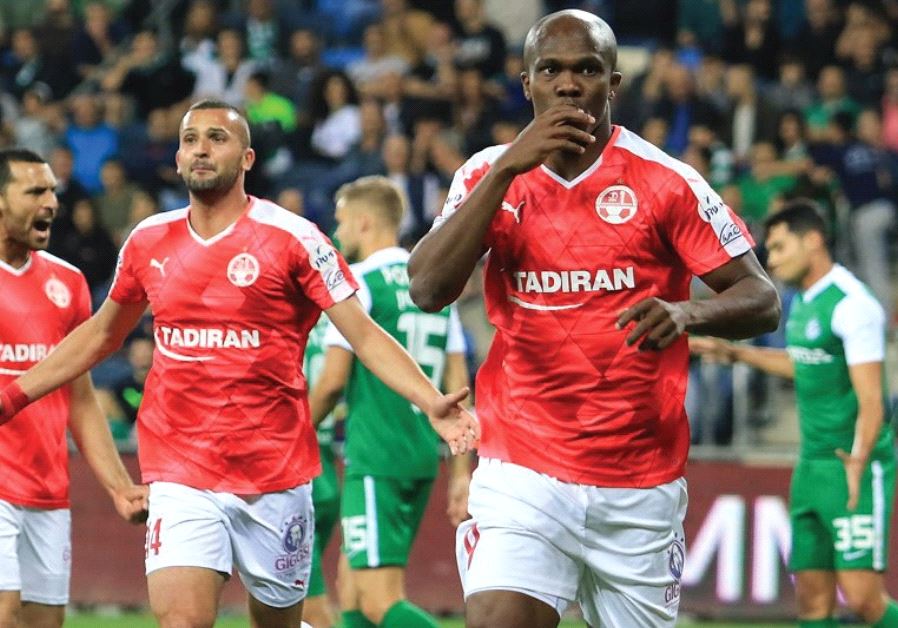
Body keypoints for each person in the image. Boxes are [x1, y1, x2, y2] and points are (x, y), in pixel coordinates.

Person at [0, 101, 478, 628]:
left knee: (277, 620)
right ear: (178, 158)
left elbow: (363, 335)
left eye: (217, 138)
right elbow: (100, 336)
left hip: (274, 475)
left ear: (247, 158)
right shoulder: (147, 241)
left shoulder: (294, 238)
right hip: (181, 471)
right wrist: (14, 395)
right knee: (181, 620)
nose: (201, 148)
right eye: (190, 139)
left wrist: (430, 399)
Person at [407, 10, 781, 628]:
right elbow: (425, 289)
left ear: (613, 84)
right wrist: (507, 169)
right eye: (550, 69)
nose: (569, 83)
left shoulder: (668, 182)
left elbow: (761, 299)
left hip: (638, 483)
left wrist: (687, 311)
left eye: (587, 70)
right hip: (523, 469)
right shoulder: (485, 173)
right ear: (527, 84)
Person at [690, 200, 898, 628]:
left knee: (863, 601)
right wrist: (733, 352)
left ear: (814, 240)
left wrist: (858, 460)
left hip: (852, 466)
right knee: (812, 602)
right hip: (810, 467)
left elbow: (873, 398)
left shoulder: (853, 305)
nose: (773, 259)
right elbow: (804, 364)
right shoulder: (804, 301)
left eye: (781, 248)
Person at [308, 176, 472, 628]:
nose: (337, 234)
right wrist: (461, 472)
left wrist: (296, 432)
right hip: (421, 450)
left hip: (376, 452)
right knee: (354, 594)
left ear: (363, 222)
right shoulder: (435, 286)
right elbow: (458, 381)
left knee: (381, 600)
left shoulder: (359, 282)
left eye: (341, 222)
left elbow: (332, 381)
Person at [0, 148, 147, 628]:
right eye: (35, 191)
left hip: (46, 488)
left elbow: (80, 398)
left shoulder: (68, 282)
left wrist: (119, 487)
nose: (51, 203)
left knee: (45, 623)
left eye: (52, 192)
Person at [299, 314, 341, 628]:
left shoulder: (278, 316)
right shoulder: (337, 320)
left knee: (305, 599)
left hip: (294, 470)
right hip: (326, 463)